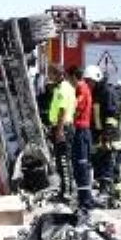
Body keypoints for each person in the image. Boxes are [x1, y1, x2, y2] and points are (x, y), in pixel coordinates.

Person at [89, 67, 121, 208]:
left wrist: (107, 135)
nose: (88, 84)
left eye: (90, 81)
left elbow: (112, 116)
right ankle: (106, 193)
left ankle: (115, 196)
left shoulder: (108, 93)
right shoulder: (96, 93)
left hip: (111, 137)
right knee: (102, 165)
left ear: (97, 79)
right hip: (100, 136)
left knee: (111, 166)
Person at [46, 66, 76, 200]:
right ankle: (64, 189)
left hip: (63, 128)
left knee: (64, 161)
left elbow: (62, 111)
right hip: (62, 127)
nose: (48, 76)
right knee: (60, 161)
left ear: (56, 74)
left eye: (50, 74)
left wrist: (59, 131)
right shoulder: (62, 87)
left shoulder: (63, 89)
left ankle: (67, 192)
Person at [70, 66, 96, 213]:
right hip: (83, 131)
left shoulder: (81, 89)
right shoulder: (85, 88)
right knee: (82, 165)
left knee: (81, 166)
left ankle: (85, 201)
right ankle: (86, 198)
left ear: (74, 77)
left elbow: (76, 107)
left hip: (81, 131)